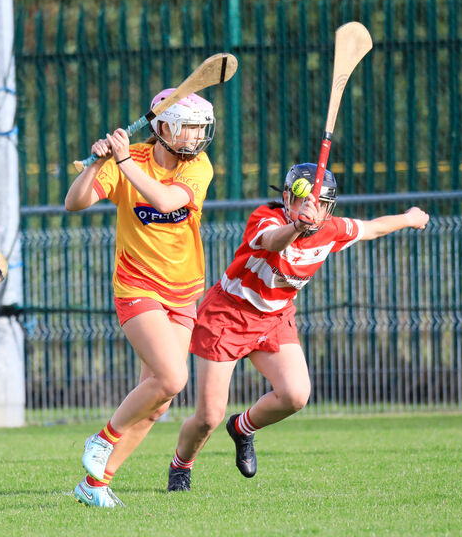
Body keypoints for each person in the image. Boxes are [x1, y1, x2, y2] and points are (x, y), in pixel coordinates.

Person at [166, 162, 430, 491]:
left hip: (275, 318)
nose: (313, 210)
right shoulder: (267, 217)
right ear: (288, 199)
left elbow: (372, 227)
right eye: (305, 202)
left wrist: (409, 219)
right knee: (207, 417)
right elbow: (273, 241)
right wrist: (296, 228)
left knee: (295, 395)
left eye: (320, 205)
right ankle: (181, 466)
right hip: (228, 315)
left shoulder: (331, 229)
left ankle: (244, 427)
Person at [65, 89, 216, 507]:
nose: (198, 135)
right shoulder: (127, 159)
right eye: (189, 126)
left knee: (157, 401)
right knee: (171, 378)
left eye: (202, 127)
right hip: (137, 287)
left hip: (184, 291)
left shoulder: (197, 166)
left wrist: (123, 160)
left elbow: (167, 200)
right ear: (164, 128)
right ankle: (103, 438)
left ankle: (94, 486)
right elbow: (74, 202)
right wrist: (98, 163)